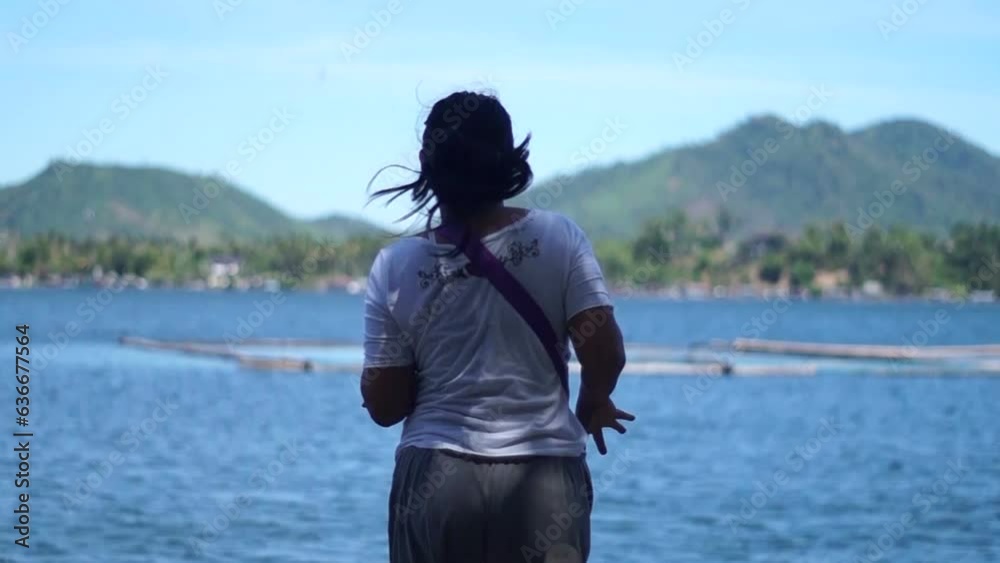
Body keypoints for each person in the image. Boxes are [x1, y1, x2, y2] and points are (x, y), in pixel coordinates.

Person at [361, 91, 634, 563]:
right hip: (545, 479)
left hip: (436, 481)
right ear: (510, 160)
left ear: (428, 161)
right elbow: (605, 352)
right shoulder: (559, 237)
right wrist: (591, 403)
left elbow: (386, 407)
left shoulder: (395, 266)